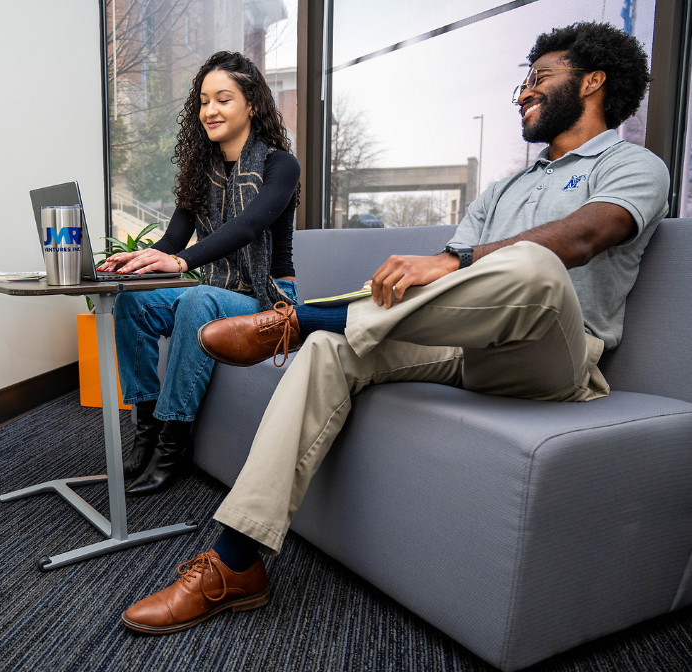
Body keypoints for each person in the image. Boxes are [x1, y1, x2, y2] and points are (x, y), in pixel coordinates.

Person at [121, 22, 670, 634]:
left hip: (554, 355)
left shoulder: (632, 165)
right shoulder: (505, 187)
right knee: (329, 352)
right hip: (463, 345)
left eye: (539, 78)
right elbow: (450, 286)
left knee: (535, 264)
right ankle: (235, 563)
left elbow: (587, 237)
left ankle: (300, 318)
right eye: (523, 82)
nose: (522, 93)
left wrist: (455, 259)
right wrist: (447, 267)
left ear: (593, 81)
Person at [97, 51, 301, 496]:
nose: (210, 110)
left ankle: (174, 445)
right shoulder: (200, 169)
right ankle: (145, 432)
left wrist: (185, 262)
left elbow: (247, 227)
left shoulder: (279, 165)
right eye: (204, 101)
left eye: (223, 99)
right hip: (217, 289)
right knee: (135, 300)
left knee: (196, 298)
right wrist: (134, 261)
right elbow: (173, 240)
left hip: (266, 297)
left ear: (252, 104)